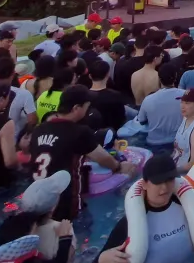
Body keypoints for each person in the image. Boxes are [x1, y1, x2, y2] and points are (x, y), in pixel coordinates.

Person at [29, 86, 133, 221]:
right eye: (86, 107)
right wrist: (119, 166)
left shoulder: (39, 130)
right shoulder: (79, 132)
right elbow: (103, 158)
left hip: (35, 200)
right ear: (76, 108)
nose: (87, 110)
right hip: (65, 206)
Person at [138, 64, 186, 147]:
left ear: (159, 79)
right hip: (178, 142)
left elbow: (141, 121)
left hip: (154, 143)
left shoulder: (148, 99)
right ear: (176, 77)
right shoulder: (185, 96)